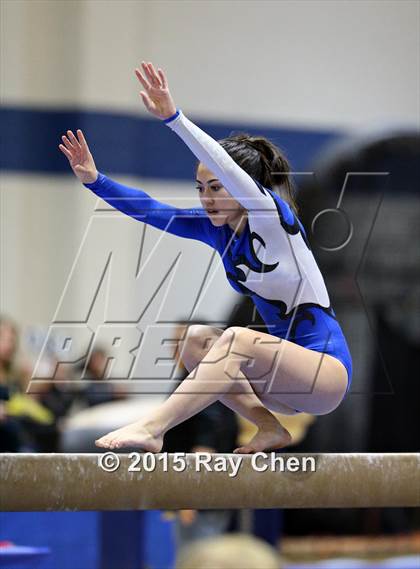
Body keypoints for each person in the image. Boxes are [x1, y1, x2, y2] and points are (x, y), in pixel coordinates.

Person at [59, 61, 352, 454]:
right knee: (196, 342)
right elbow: (151, 209)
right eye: (200, 187)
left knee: (236, 340)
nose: (206, 197)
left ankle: (152, 427)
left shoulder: (273, 220)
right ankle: (269, 429)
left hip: (324, 374)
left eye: (216, 186)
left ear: (242, 187)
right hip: (281, 386)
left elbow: (227, 168)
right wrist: (96, 181)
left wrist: (174, 119)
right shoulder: (214, 228)